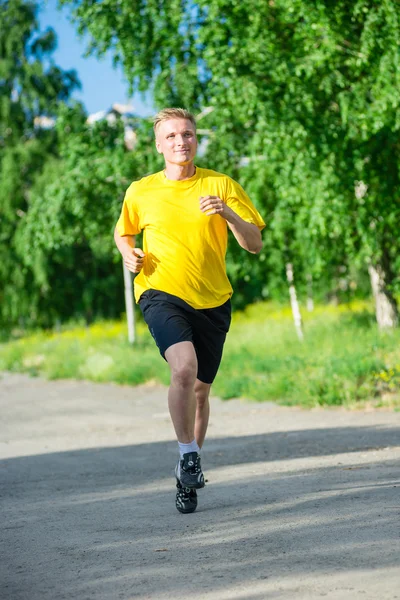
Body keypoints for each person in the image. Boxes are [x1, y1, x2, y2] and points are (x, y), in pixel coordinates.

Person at [114, 107, 265, 514]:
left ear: (196, 139)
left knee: (200, 392)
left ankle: (186, 472)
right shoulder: (141, 190)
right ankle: (188, 453)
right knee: (183, 368)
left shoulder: (221, 184)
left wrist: (227, 212)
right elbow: (123, 230)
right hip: (160, 292)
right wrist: (129, 253)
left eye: (188, 134)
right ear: (158, 144)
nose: (181, 142)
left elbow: (254, 244)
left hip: (213, 299)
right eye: (172, 136)